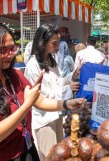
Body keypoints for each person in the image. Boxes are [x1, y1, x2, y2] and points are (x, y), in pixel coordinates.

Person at [0, 22, 85, 161]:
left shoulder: (14, 75)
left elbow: (38, 100)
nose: (11, 54)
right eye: (3, 50)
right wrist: (26, 105)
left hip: (24, 149)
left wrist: (66, 103)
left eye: (12, 48)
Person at [24, 24, 80, 161]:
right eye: (54, 43)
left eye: (58, 42)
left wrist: (73, 75)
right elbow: (40, 97)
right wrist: (68, 90)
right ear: (42, 42)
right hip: (44, 119)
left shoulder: (51, 61)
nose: (58, 46)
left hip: (57, 114)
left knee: (60, 154)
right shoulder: (33, 66)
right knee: (49, 156)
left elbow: (58, 82)